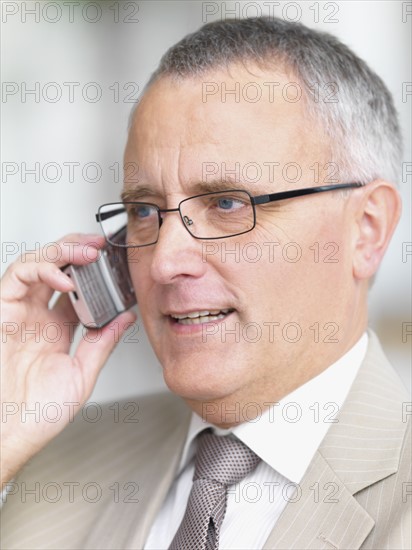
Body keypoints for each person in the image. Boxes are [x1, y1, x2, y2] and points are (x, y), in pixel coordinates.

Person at [1, 16, 410, 550]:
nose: (166, 262)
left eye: (226, 203)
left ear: (366, 230)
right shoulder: (47, 463)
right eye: (146, 211)